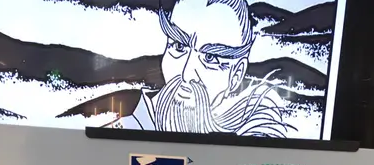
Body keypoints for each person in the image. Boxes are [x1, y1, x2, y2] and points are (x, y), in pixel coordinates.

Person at [110, 0, 288, 136]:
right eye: (179, 47)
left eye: (210, 58)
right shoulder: (121, 132)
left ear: (236, 75)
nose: (187, 75)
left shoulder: (247, 144)